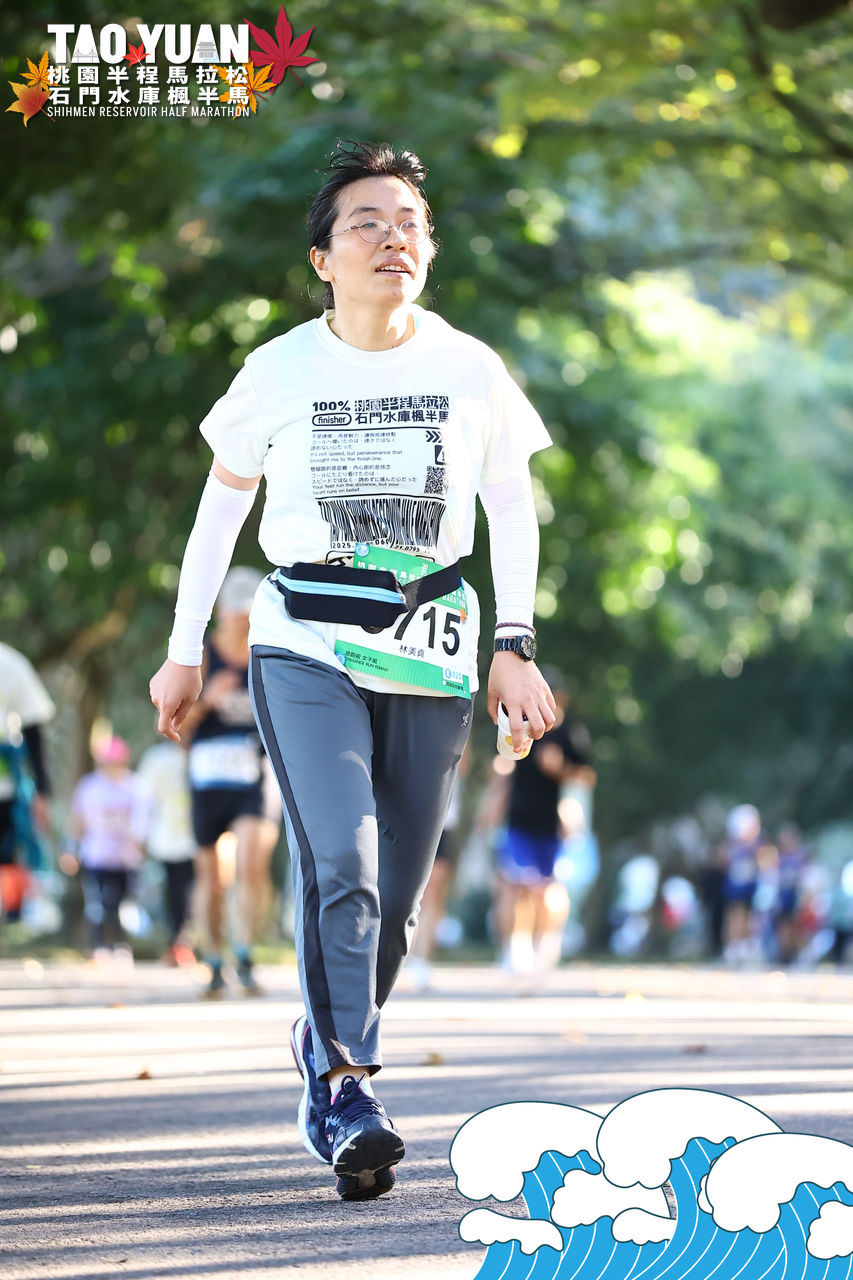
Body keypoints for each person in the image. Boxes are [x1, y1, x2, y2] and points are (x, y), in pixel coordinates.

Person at [149, 140, 556, 1201]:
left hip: (431, 647)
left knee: (399, 893)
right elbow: (220, 509)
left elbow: (510, 509)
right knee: (346, 859)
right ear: (322, 260)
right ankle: (345, 1086)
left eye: (409, 223)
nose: (392, 239)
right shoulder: (278, 369)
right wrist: (184, 647)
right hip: (304, 640)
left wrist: (514, 643)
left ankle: (318, 1035)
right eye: (366, 223)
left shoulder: (470, 368)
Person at [178, 567, 282, 997]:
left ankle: (245, 953)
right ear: (223, 615)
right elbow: (174, 727)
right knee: (211, 879)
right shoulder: (202, 655)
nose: (244, 626)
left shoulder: (266, 652)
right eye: (238, 618)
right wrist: (207, 701)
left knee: (251, 866)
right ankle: (214, 960)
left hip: (254, 775)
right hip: (208, 777)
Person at [493, 674, 594, 984]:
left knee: (548, 889)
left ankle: (547, 947)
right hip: (518, 820)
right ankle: (515, 949)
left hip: (552, 826)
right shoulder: (518, 724)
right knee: (516, 885)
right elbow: (503, 769)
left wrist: (560, 769)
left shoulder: (570, 733)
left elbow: (587, 777)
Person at [69, 736, 149, 963]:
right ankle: (99, 947)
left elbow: (141, 826)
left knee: (122, 906)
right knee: (97, 905)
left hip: (125, 861)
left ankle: (121, 946)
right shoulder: (89, 787)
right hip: (96, 858)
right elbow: (77, 822)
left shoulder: (136, 788)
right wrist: (71, 849)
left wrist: (140, 849)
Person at [0, 643, 55, 921]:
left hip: (6, 786)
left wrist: (42, 791)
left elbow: (34, 734)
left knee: (8, 850)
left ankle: (11, 916)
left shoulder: (11, 664)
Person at [136, 739, 197, 968]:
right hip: (167, 839)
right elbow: (144, 799)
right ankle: (177, 942)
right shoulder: (158, 758)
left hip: (198, 840)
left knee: (191, 893)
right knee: (173, 893)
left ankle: (185, 942)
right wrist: (141, 834)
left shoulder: (201, 750)